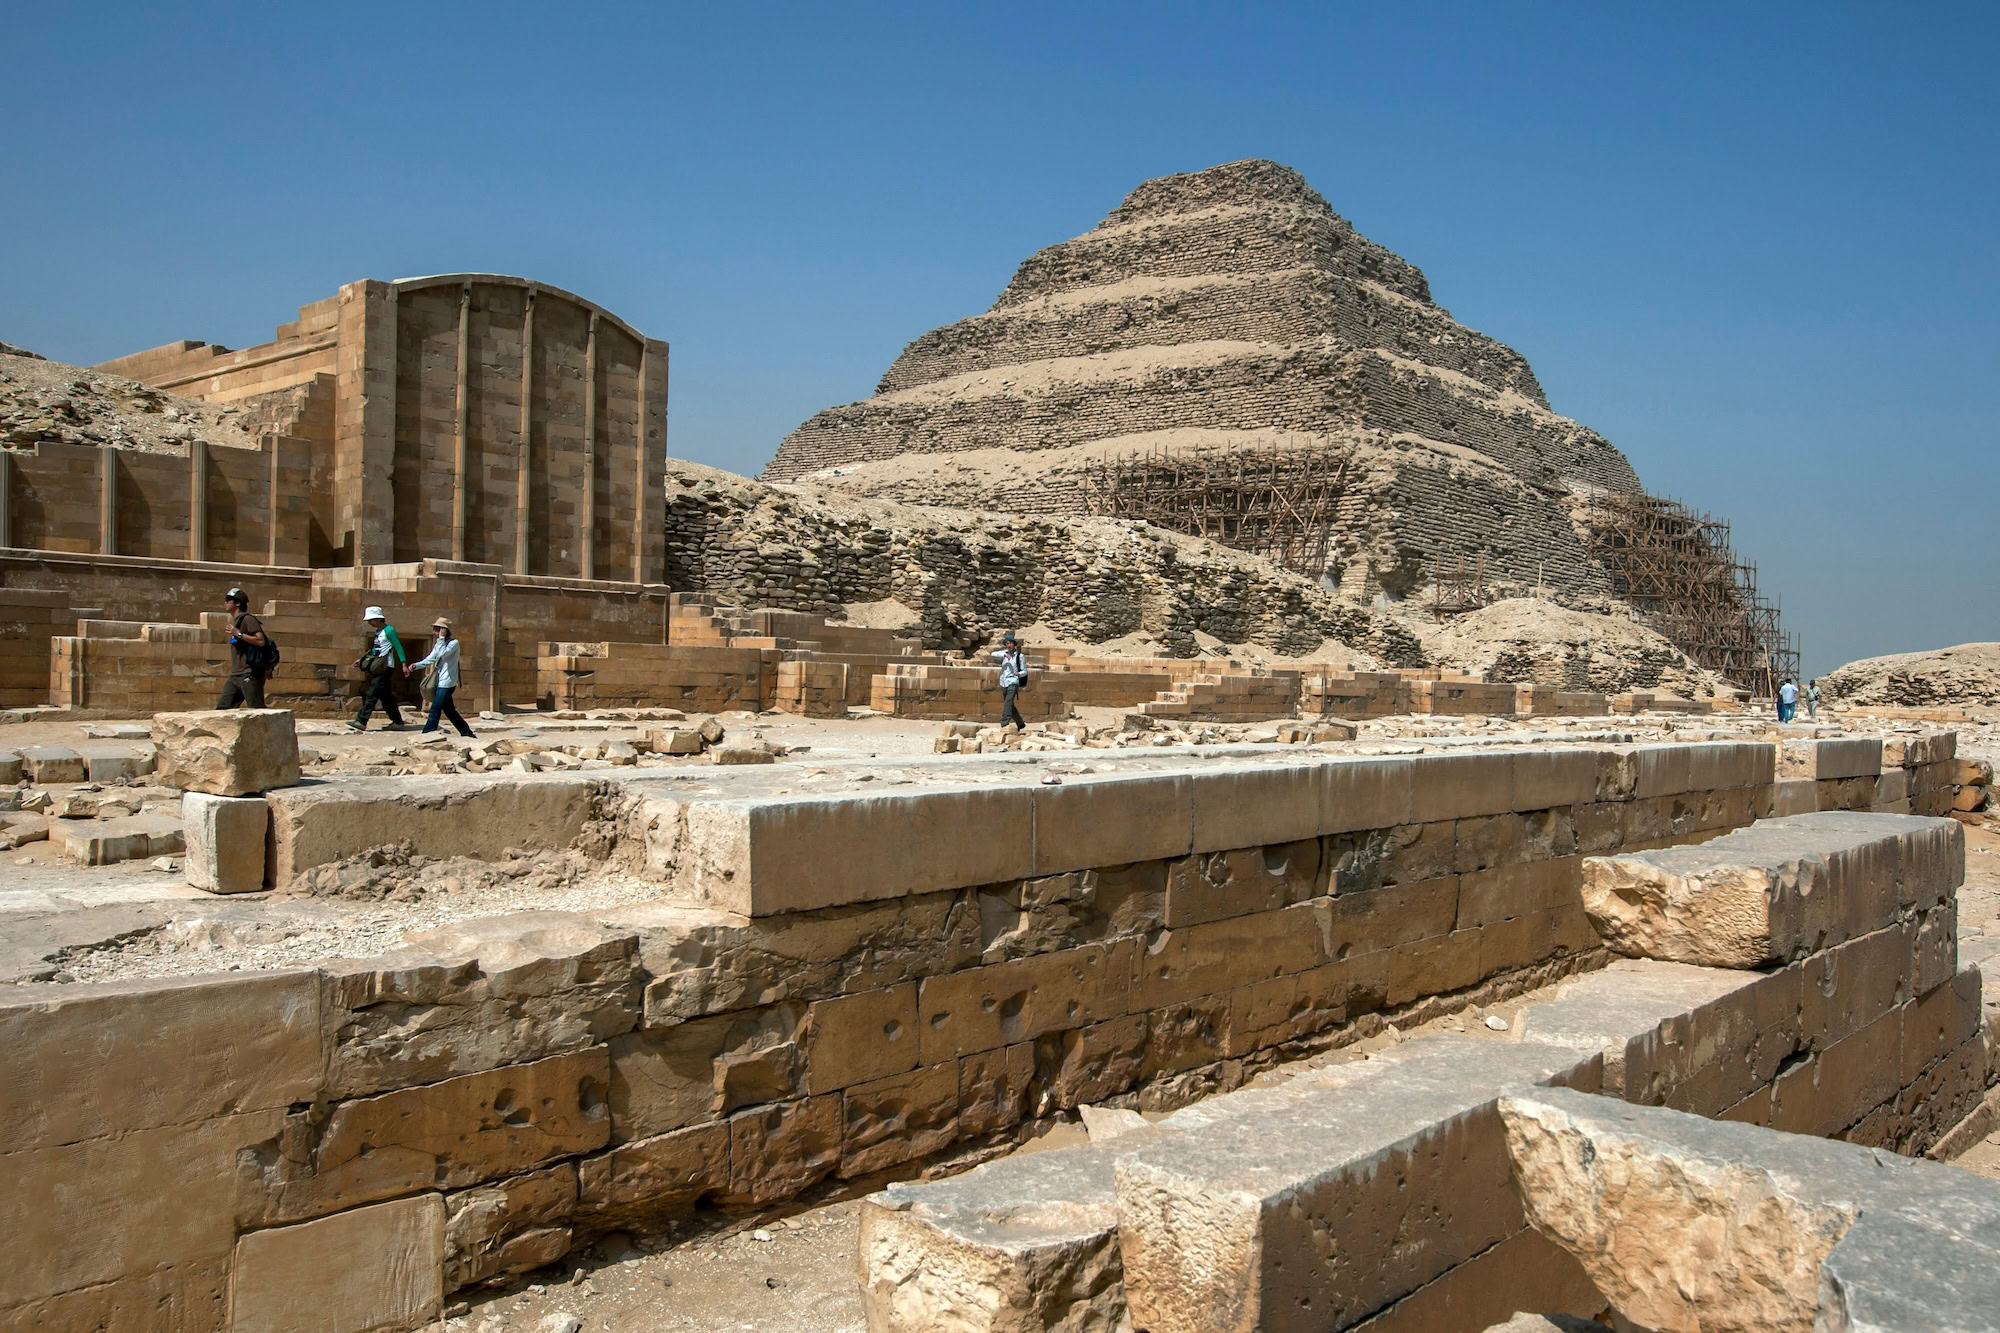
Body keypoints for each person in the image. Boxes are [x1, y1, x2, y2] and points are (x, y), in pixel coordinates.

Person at [403, 618, 475, 737]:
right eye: (435, 630)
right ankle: (466, 732)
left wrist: (441, 638)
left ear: (444, 630)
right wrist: (417, 665)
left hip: (447, 682)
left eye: (438, 630)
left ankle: (427, 734)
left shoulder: (453, 643)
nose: (435, 633)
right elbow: (431, 658)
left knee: (435, 708)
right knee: (450, 711)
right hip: (440, 680)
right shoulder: (439, 643)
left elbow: (443, 654)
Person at [350, 605, 409, 731]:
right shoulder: (378, 632)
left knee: (372, 694)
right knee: (386, 696)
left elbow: (398, 647)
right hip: (378, 666)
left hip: (385, 667)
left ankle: (361, 720)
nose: (369, 623)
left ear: (377, 619)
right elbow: (374, 650)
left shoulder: (389, 630)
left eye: (370, 620)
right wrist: (361, 660)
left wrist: (404, 664)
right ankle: (397, 722)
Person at [215, 587, 269, 709]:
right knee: (222, 709)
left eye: (228, 600)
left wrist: (238, 634)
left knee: (257, 710)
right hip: (236, 675)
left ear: (238, 603)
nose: (225, 603)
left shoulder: (248, 619)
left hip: (249, 674)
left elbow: (260, 640)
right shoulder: (237, 622)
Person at [991, 632, 1028, 730]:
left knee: (1007, 703)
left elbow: (1024, 671)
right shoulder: (1004, 653)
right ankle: (1020, 723)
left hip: (1013, 681)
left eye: (1010, 643)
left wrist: (1018, 674)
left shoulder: (1020, 656)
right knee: (1010, 704)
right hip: (1003, 682)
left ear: (1014, 644)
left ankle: (1004, 723)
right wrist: (1004, 655)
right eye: (1007, 643)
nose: (1009, 645)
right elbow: (992, 654)